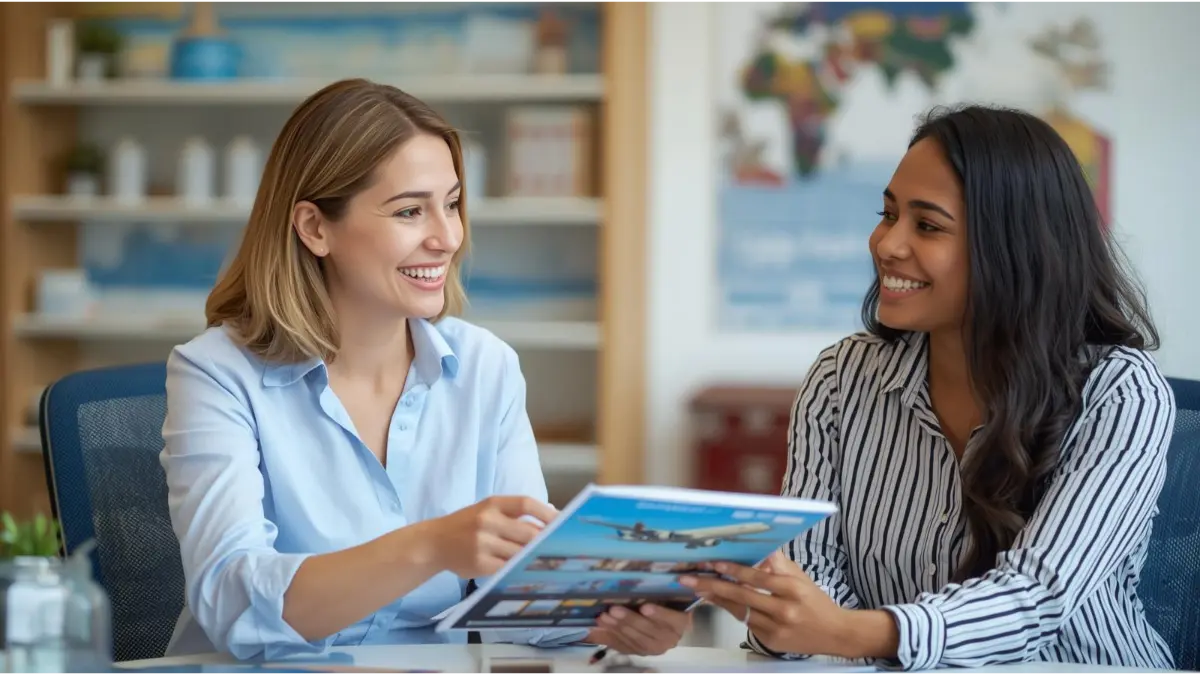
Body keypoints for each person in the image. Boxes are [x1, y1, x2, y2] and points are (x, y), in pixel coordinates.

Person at [160, 78, 691, 661]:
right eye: (410, 210)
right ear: (315, 227)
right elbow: (231, 604)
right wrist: (432, 545)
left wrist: (605, 621)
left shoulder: (486, 368)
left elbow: (521, 595)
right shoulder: (215, 373)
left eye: (453, 203)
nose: (447, 237)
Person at [681, 105, 1176, 671]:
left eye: (928, 225)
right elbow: (812, 584)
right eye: (887, 214)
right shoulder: (840, 381)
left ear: (1016, 248)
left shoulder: (1120, 394)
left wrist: (850, 631)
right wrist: (784, 617)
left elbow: (1037, 599)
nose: (887, 244)